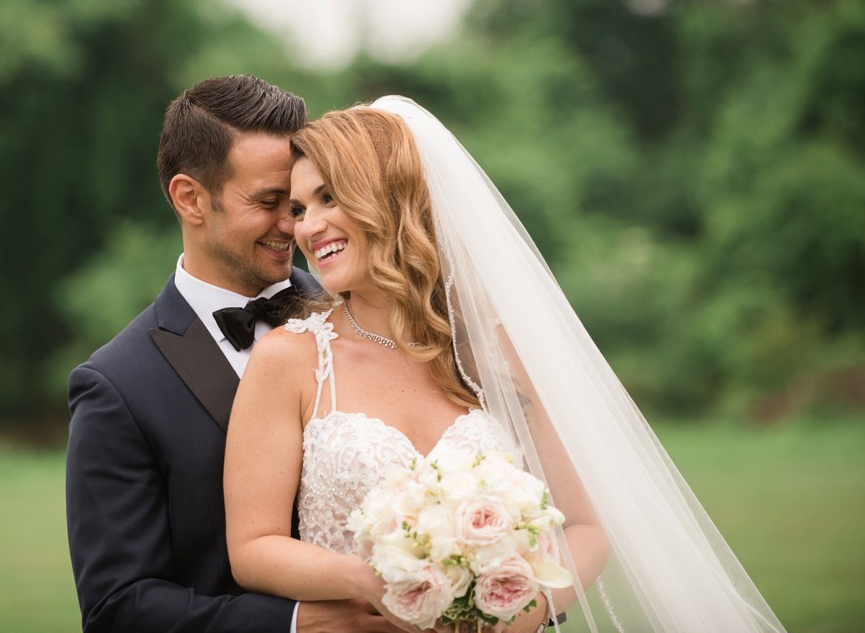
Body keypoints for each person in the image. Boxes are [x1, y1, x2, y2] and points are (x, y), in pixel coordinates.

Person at [224, 97, 787, 633]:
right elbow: (252, 547)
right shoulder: (291, 358)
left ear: (389, 197)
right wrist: (372, 580)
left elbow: (586, 529)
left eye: (329, 198)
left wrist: (523, 608)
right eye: (298, 209)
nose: (306, 227)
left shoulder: (494, 350)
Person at [65, 75, 405, 633]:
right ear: (190, 198)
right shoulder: (118, 386)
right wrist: (302, 624)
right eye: (269, 202)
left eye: (298, 201)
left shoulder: (371, 311)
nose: (294, 225)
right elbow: (118, 608)